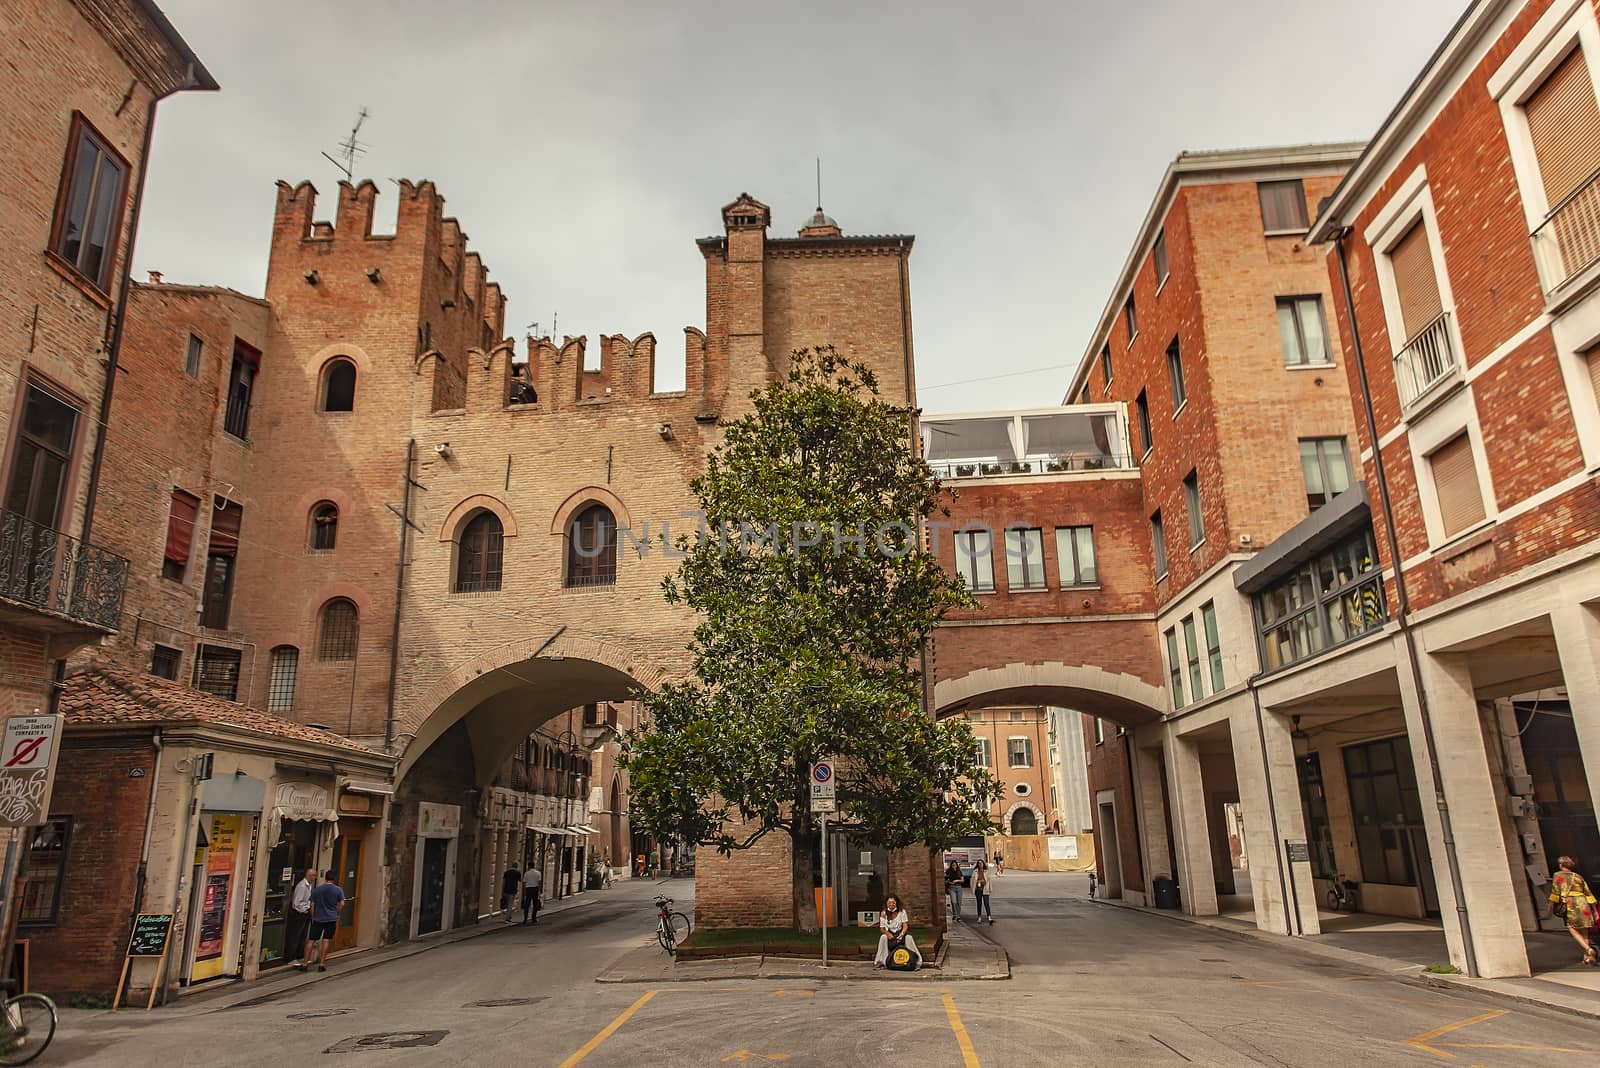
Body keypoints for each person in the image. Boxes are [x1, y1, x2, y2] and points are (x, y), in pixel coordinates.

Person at [1548, 855, 1597, 966]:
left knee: (1571, 927)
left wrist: (1551, 905)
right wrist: (1594, 910)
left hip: (1571, 903)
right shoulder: (1578, 877)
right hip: (1583, 903)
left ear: (1561, 865)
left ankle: (1588, 950)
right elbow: (1588, 892)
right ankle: (1588, 958)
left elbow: (1555, 891)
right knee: (1585, 932)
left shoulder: (1557, 875)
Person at [299, 869, 345, 972]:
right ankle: (322, 964)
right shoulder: (338, 890)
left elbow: (312, 905)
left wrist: (313, 915)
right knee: (326, 940)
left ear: (326, 878)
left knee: (311, 940)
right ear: (334, 878)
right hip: (331, 918)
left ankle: (305, 964)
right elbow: (342, 904)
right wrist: (336, 912)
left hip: (318, 918)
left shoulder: (317, 890)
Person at [873, 895, 920, 970]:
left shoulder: (902, 912)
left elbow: (905, 925)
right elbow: (882, 929)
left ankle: (916, 962)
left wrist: (901, 935)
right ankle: (882, 962)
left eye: (893, 903)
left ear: (896, 903)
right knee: (883, 938)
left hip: (900, 933)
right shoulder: (884, 913)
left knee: (909, 938)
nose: (891, 904)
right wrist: (887, 934)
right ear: (886, 903)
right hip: (890, 935)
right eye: (889, 903)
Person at [286, 867, 315, 964]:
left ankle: (300, 956)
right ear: (307, 875)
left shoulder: (309, 886)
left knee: (302, 936)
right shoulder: (302, 886)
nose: (314, 877)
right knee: (295, 935)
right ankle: (291, 957)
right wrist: (305, 909)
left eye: (314, 875)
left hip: (305, 914)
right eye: (312, 875)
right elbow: (296, 903)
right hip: (299, 914)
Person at [972, 859, 993, 924]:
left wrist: (990, 889)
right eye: (979, 863)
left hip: (985, 889)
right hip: (978, 889)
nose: (980, 864)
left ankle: (989, 917)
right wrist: (973, 888)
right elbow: (972, 880)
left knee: (986, 903)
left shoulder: (986, 871)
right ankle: (979, 917)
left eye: (981, 863)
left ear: (983, 864)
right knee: (979, 903)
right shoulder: (975, 872)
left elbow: (989, 881)